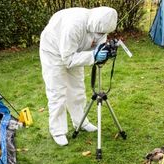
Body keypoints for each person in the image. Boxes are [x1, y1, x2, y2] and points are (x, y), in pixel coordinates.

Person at [39, 7, 118, 146]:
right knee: (57, 92)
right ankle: (58, 130)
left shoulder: (101, 25)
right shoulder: (73, 25)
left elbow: (98, 47)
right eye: (99, 32)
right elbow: (68, 60)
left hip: (76, 52)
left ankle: (81, 121)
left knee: (77, 89)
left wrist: (103, 54)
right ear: (94, 24)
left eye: (103, 33)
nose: (101, 35)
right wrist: (92, 56)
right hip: (53, 52)